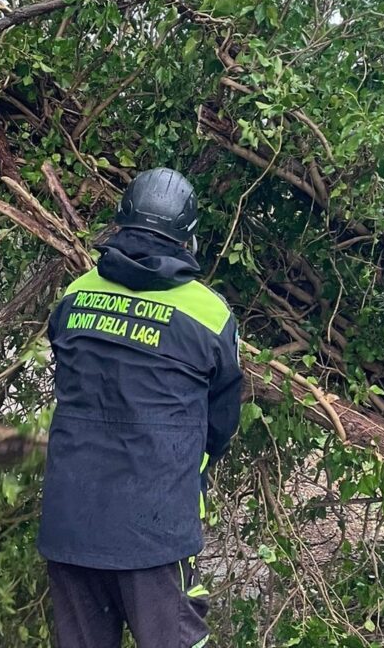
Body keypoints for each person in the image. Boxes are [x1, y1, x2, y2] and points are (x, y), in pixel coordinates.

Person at [37, 167, 243, 648]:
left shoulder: (76, 295)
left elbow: (70, 383)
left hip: (71, 524)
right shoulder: (209, 314)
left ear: (120, 223)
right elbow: (220, 425)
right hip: (154, 532)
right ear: (189, 238)